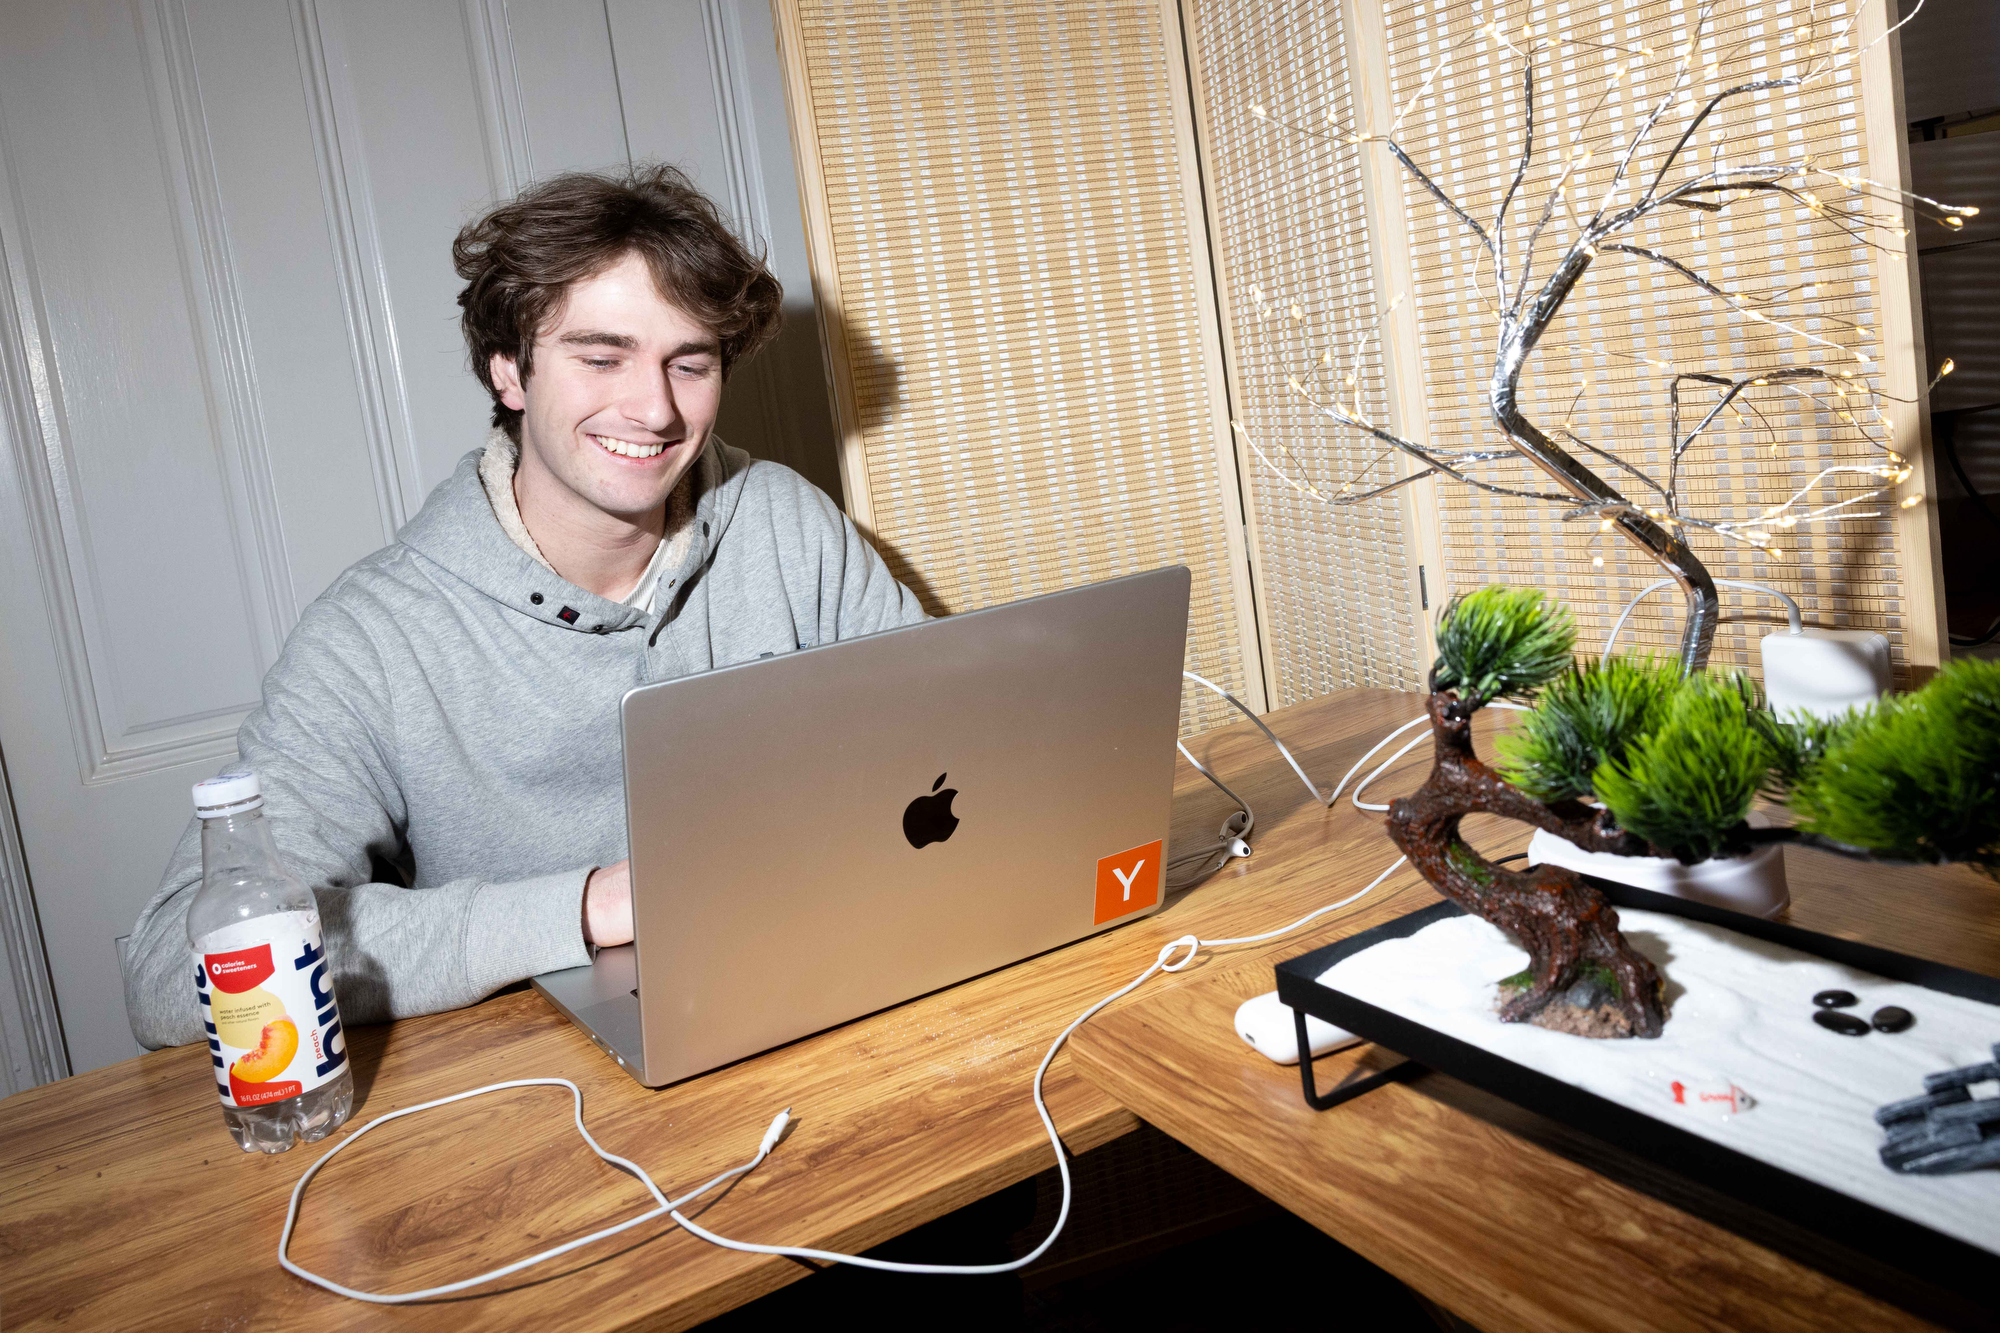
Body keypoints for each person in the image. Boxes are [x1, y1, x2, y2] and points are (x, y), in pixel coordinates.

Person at [124, 165, 925, 1049]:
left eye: (688, 363)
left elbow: (949, 753)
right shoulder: (376, 635)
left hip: (823, 999)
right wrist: (581, 907)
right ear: (509, 369)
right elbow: (173, 968)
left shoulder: (783, 524)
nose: (654, 408)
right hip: (549, 1090)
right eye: (600, 356)